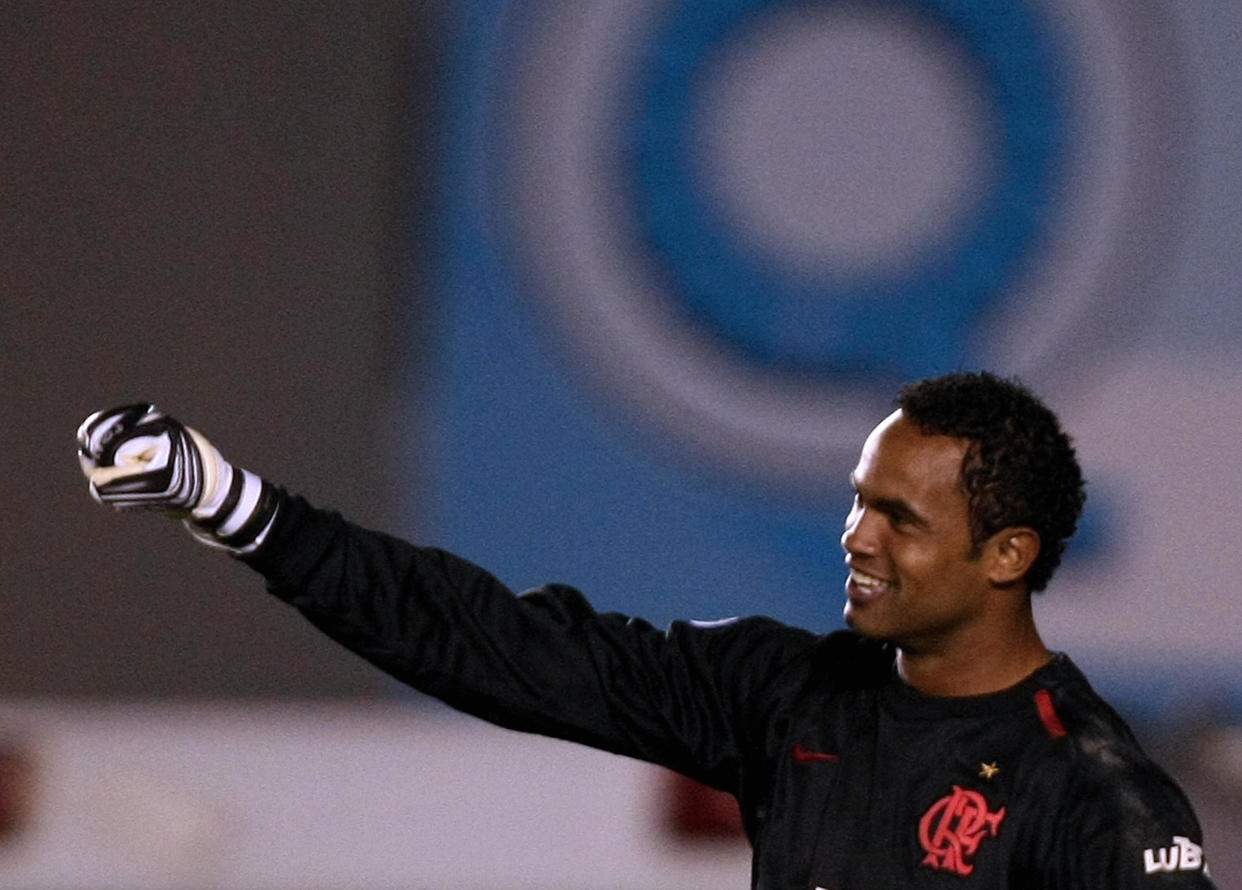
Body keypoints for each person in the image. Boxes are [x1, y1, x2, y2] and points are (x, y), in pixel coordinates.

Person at [76, 372, 1216, 888]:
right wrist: (235, 504)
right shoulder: (788, 690)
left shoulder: (1093, 796)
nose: (857, 536)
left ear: (1008, 553)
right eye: (858, 499)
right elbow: (488, 642)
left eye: (900, 516)